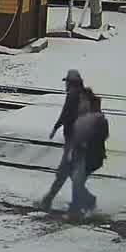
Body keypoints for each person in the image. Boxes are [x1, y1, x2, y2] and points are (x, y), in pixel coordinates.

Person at [38, 70, 86, 211]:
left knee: (65, 170)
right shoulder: (83, 95)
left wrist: (56, 127)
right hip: (81, 138)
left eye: (67, 82)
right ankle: (78, 202)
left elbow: (66, 113)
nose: (65, 85)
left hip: (73, 138)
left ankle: (49, 200)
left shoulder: (72, 95)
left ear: (71, 83)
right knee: (70, 171)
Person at [65, 91, 109, 215]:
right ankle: (80, 203)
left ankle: (84, 204)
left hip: (91, 156)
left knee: (77, 180)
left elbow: (103, 135)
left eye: (83, 100)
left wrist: (87, 141)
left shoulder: (99, 118)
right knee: (76, 179)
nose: (80, 104)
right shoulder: (81, 117)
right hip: (79, 154)